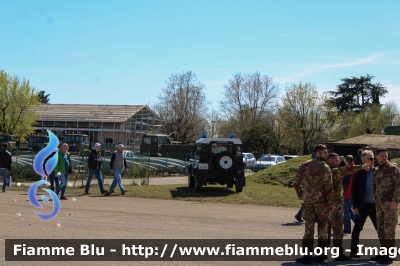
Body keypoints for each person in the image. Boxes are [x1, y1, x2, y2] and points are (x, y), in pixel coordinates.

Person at [293, 144, 334, 264]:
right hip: (321, 203)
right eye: (325, 153)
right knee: (322, 228)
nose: (327, 155)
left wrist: (301, 195)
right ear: (317, 153)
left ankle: (307, 255)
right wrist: (330, 203)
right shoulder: (325, 167)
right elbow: (329, 187)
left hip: (308, 202)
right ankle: (321, 255)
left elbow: (296, 183)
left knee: (308, 228)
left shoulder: (304, 165)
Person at [325, 153, 369, 261]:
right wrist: (361, 167)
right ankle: (338, 253)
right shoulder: (333, 171)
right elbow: (346, 170)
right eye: (336, 160)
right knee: (337, 229)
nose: (338, 162)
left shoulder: (321, 170)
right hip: (335, 205)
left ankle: (322, 253)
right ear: (330, 161)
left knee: (324, 231)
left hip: (324, 205)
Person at [372, 147, 400, 264]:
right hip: (379, 205)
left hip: (390, 204)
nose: (384, 157)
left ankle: (389, 255)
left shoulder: (393, 169)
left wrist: (395, 201)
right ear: (377, 157)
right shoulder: (376, 170)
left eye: (385, 155)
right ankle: (384, 252)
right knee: (381, 229)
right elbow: (375, 186)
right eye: (382, 155)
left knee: (389, 229)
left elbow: (398, 186)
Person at [350, 150, 378, 258]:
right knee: (357, 228)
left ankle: (385, 252)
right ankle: (353, 251)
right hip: (363, 205)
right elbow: (354, 190)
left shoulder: (377, 171)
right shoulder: (359, 172)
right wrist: (355, 206)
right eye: (370, 158)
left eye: (373, 158)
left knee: (380, 229)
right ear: (363, 160)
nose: (373, 160)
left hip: (376, 205)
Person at [342, 155, 357, 233]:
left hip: (347, 192)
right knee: (350, 209)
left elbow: (345, 182)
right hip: (353, 193)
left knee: (346, 211)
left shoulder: (347, 169)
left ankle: (347, 228)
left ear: (346, 160)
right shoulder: (355, 168)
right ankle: (357, 223)